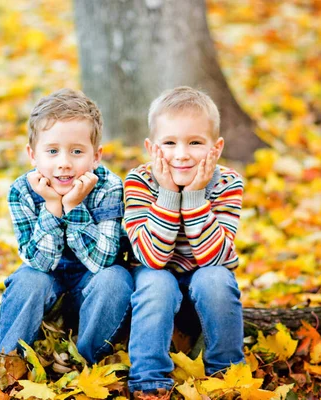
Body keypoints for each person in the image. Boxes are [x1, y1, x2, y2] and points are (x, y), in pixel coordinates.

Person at [0, 88, 133, 364]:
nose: (64, 164)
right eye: (53, 151)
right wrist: (52, 207)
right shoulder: (22, 190)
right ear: (33, 155)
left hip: (92, 277)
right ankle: (6, 362)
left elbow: (103, 260)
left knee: (116, 280)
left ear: (96, 156)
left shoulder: (109, 186)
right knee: (27, 280)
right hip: (47, 275)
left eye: (77, 151)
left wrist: (74, 206)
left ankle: (87, 360)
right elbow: (39, 262)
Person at [124, 86, 245, 399]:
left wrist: (193, 196)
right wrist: (167, 194)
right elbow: (151, 257)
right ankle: (149, 379)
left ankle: (227, 373)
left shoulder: (227, 184)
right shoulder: (139, 182)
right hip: (155, 274)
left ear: (215, 148)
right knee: (156, 282)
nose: (181, 154)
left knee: (216, 278)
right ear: (152, 148)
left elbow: (214, 256)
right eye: (169, 143)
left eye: (195, 142)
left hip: (204, 276)